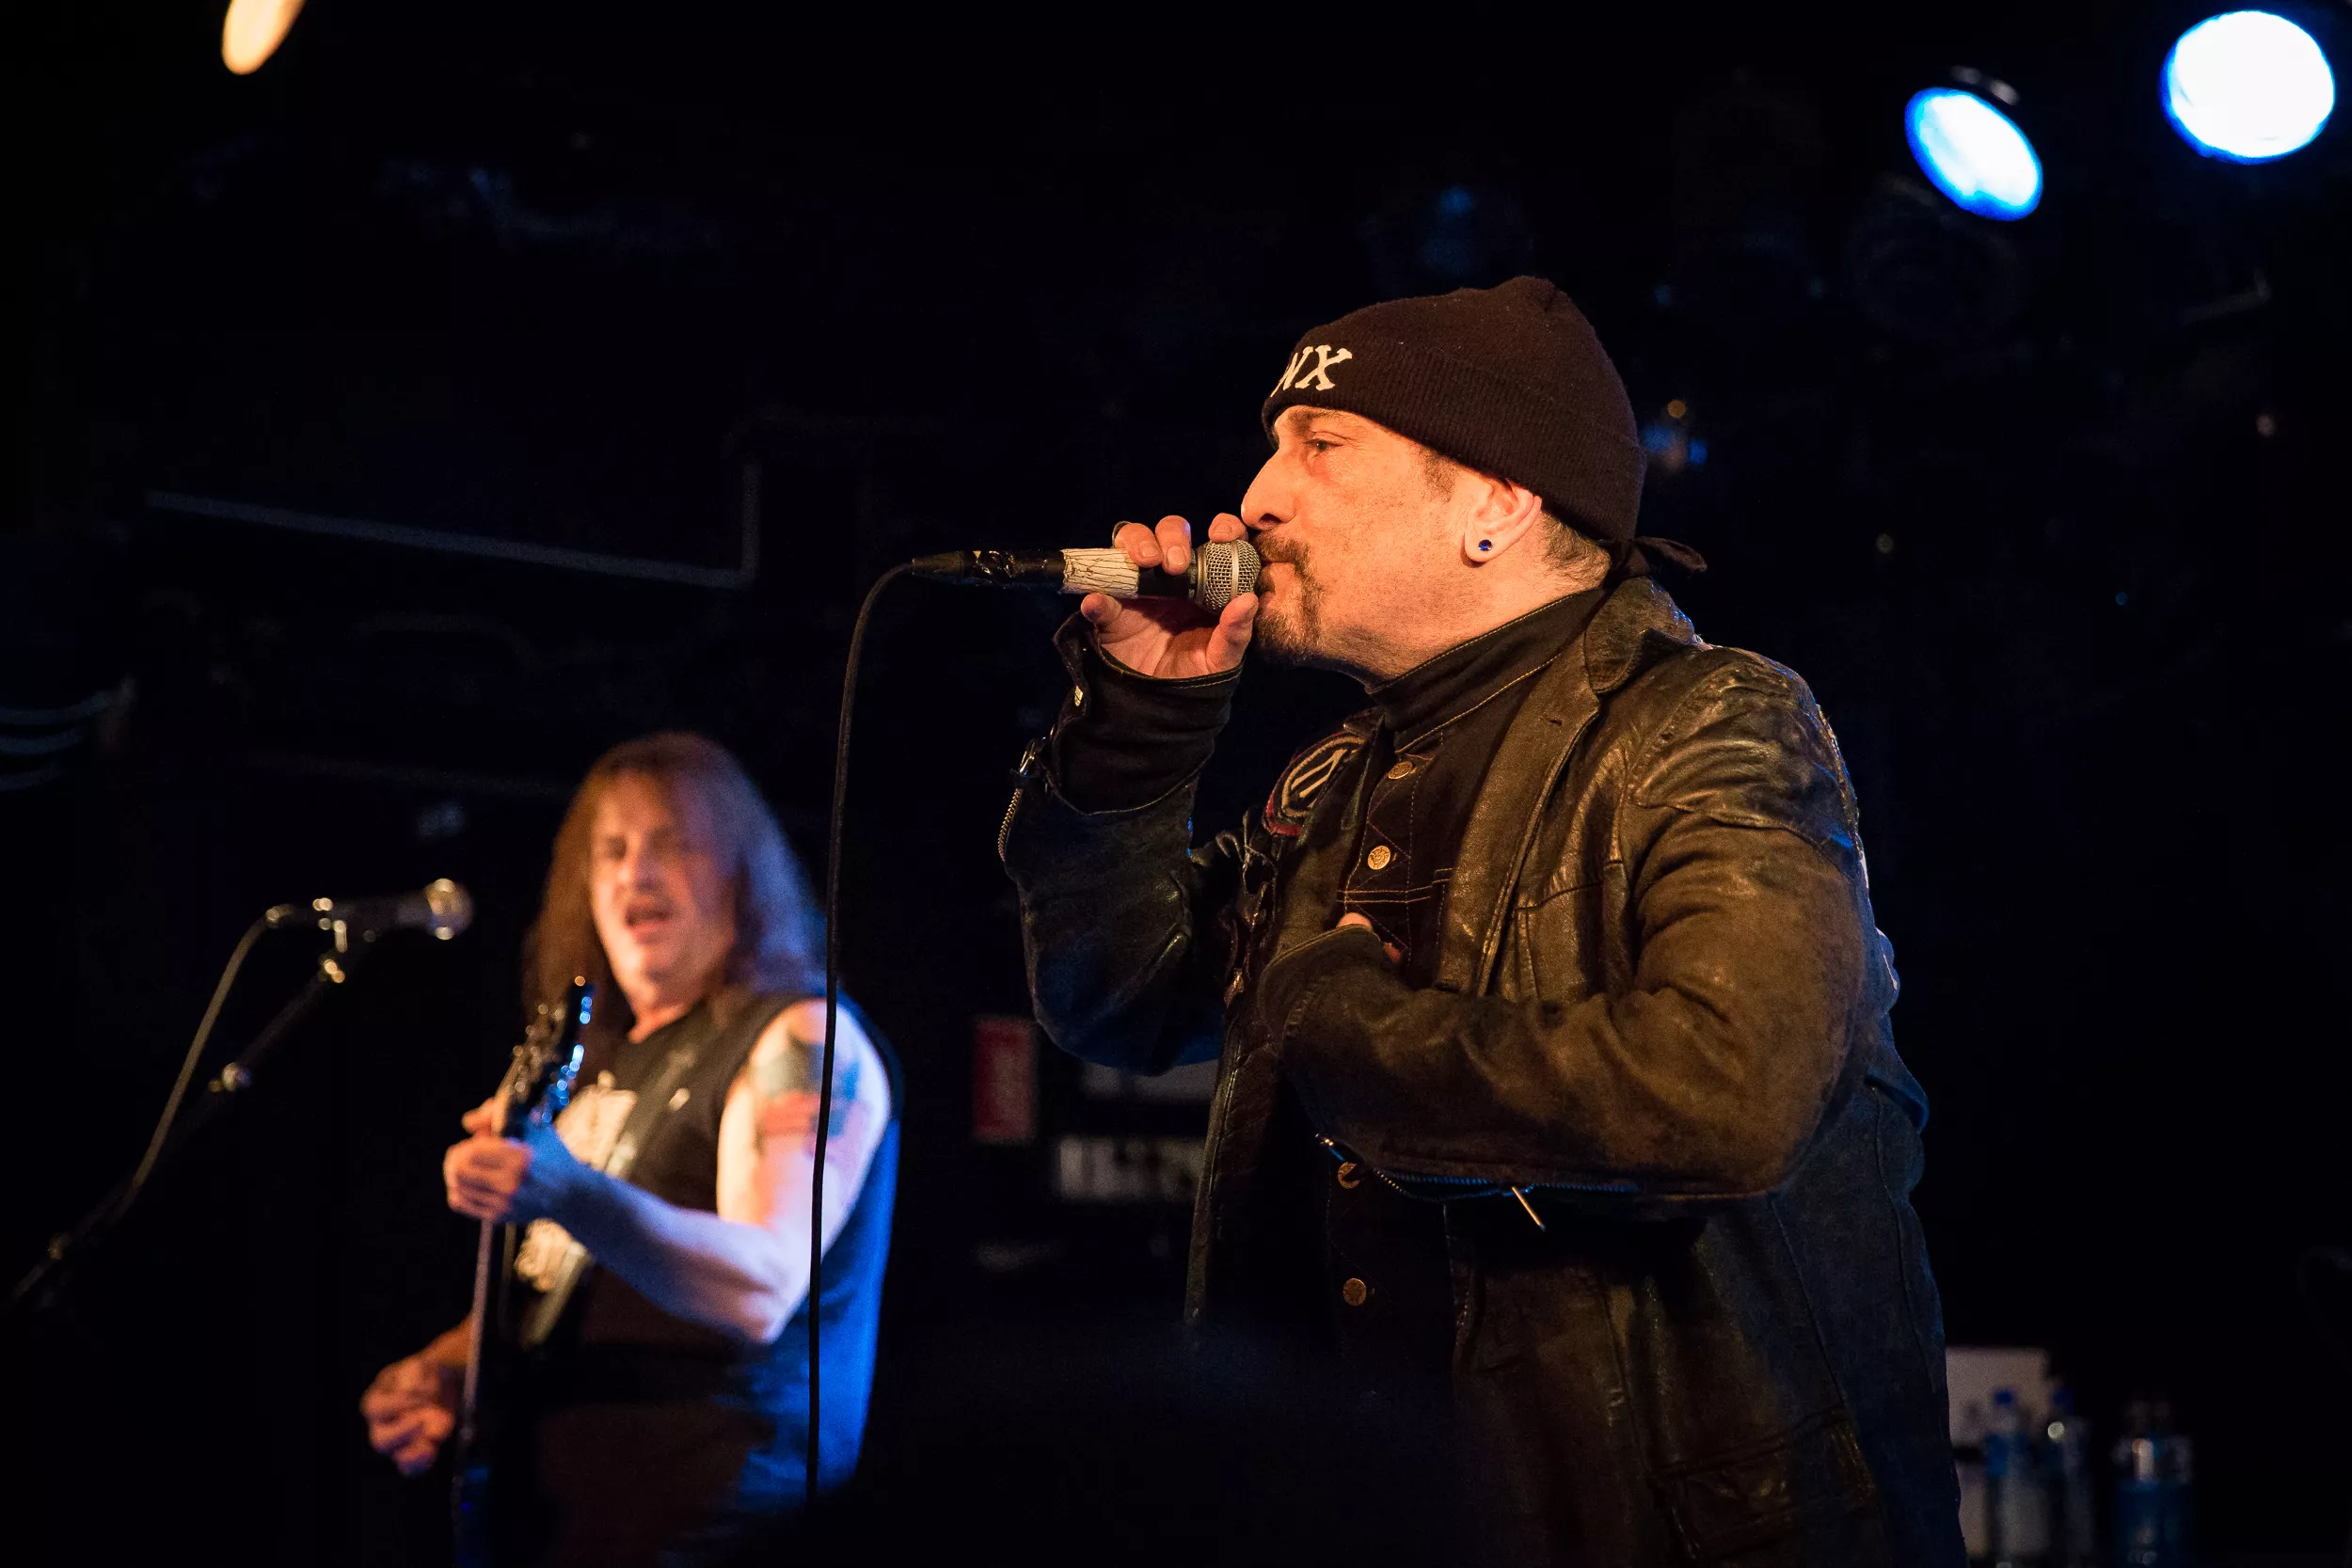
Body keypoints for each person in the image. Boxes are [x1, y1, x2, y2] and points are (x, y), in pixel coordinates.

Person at [999, 277, 1964, 1564]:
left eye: (1320, 444)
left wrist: (1343, 1022)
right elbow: (1118, 996)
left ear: (1496, 506)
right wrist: (1138, 732)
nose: (1260, 494)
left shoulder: (1705, 723)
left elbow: (1725, 1091)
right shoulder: (1336, 781)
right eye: (1274, 445)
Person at [360, 732, 898, 1566]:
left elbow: (763, 1284)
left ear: (740, 871)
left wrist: (567, 1191)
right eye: (611, 851)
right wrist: (443, 1369)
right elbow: (558, 1293)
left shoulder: (800, 1035)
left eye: (672, 843)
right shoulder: (596, 1067)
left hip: (718, 1533)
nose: (634, 874)